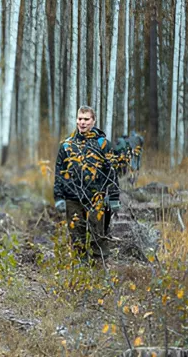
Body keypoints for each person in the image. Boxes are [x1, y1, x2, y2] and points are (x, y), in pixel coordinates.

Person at [53, 106, 120, 261]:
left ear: (93, 121)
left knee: (99, 237)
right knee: (77, 239)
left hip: (97, 199)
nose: (82, 122)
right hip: (72, 198)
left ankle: (99, 274)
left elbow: (112, 173)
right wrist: (58, 197)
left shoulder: (103, 144)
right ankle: (80, 275)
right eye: (80, 119)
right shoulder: (67, 146)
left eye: (86, 119)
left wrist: (114, 197)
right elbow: (59, 173)